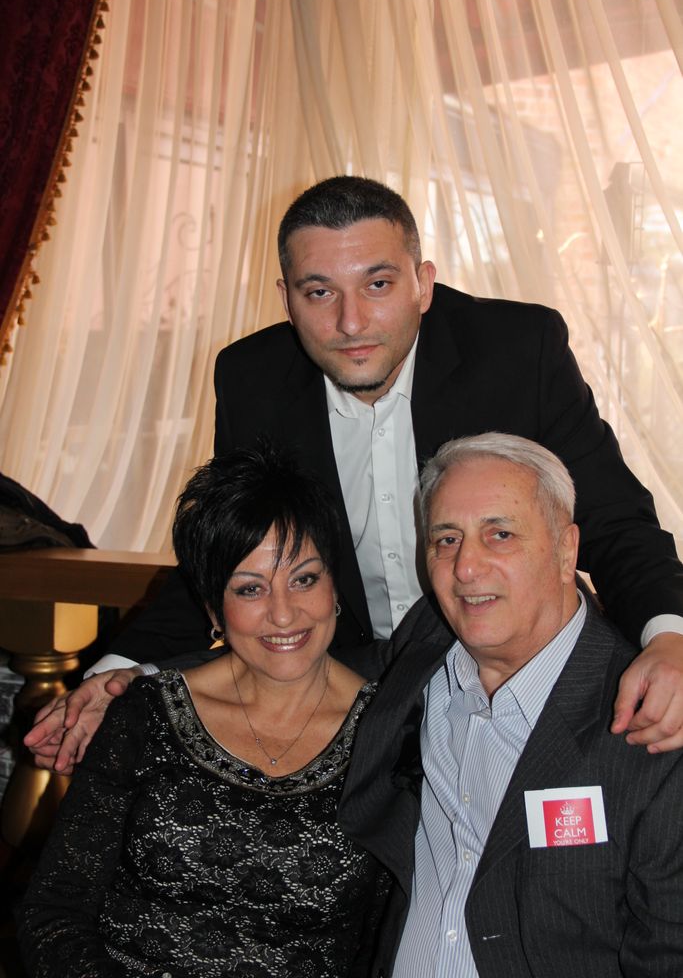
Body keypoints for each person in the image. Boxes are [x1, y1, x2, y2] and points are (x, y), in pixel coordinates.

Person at [25, 175, 683, 772]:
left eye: (378, 285)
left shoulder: (515, 350)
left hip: (516, 673)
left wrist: (671, 636)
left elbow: (613, 521)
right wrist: (116, 670)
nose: (350, 322)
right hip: (345, 693)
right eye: (320, 292)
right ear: (286, 299)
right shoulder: (253, 379)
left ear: (423, 283)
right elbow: (228, 557)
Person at [18, 445, 388, 978]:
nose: (284, 614)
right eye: (250, 589)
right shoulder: (146, 715)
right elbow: (53, 914)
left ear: (335, 589)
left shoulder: (387, 733)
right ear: (214, 609)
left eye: (304, 579)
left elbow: (383, 941)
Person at [337, 433, 683, 977]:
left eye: (500, 534)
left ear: (566, 550)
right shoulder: (425, 643)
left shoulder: (653, 720)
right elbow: (305, 660)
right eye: (446, 539)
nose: (466, 567)